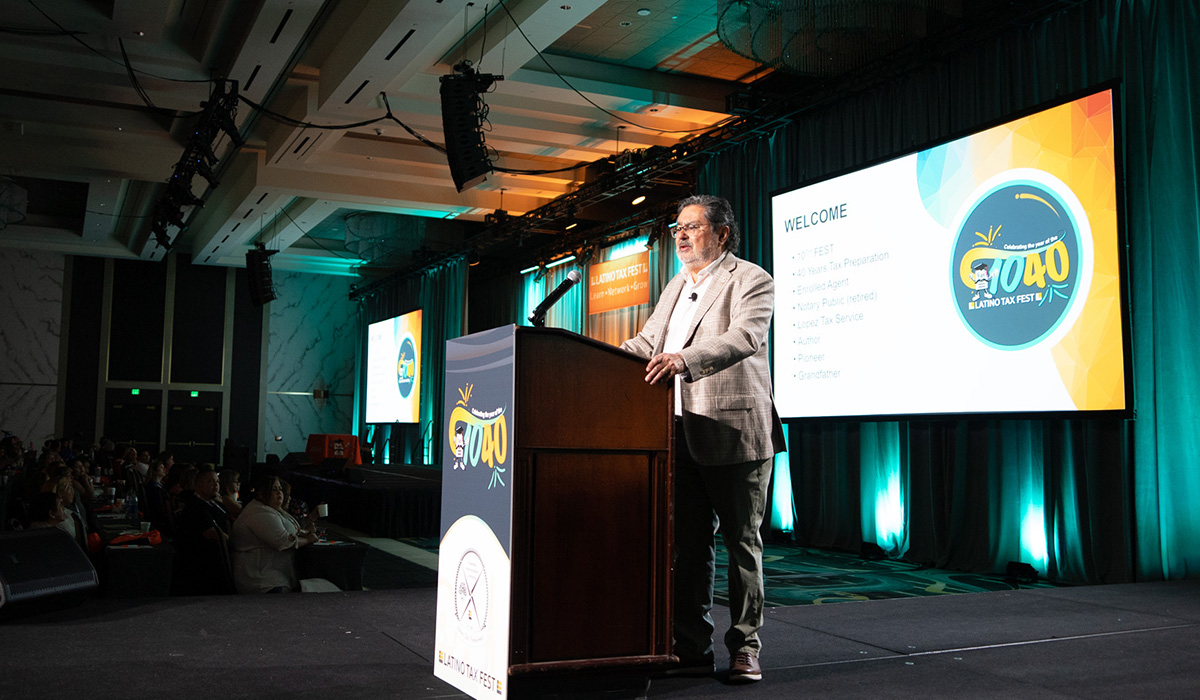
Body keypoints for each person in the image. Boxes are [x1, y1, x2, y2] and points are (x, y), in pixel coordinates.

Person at [619, 194, 786, 683]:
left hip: (735, 430)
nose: (681, 236)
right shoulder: (674, 286)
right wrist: (592, 357)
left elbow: (745, 338)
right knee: (688, 549)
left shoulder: (752, 279)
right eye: (677, 229)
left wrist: (683, 360)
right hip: (679, 434)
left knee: (741, 545)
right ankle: (690, 648)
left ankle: (745, 647)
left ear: (722, 233)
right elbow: (647, 344)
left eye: (692, 227)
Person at [230, 475, 319, 593]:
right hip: (262, 579)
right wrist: (308, 539)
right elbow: (283, 541)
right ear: (262, 494)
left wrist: (306, 532)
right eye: (274, 490)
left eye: (280, 489)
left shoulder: (272, 509)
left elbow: (293, 530)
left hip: (275, 574)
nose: (279, 493)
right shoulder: (258, 513)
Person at [172, 466, 234, 595]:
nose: (216, 485)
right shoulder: (196, 507)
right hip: (206, 563)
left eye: (217, 481)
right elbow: (214, 535)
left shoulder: (215, 503)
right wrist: (235, 541)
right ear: (199, 484)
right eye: (211, 482)